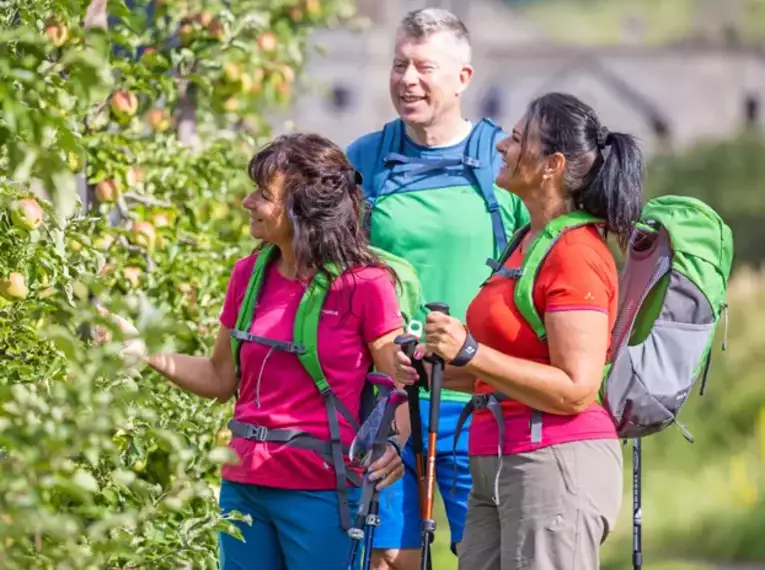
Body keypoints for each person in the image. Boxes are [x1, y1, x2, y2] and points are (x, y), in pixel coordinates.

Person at [116, 133, 409, 570]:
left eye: (262, 194)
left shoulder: (365, 285)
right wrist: (144, 353)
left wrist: (395, 447)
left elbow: (397, 383)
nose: (246, 201)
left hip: (322, 490)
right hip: (245, 487)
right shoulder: (249, 275)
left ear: (302, 206)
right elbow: (220, 377)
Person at [395, 92, 644, 569]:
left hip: (553, 460)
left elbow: (576, 388)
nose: (502, 147)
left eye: (516, 138)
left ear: (551, 164)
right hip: (495, 458)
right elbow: (500, 373)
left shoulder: (577, 254)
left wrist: (468, 350)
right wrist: (432, 370)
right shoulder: (525, 242)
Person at [346, 8, 529, 570]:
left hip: (480, 398)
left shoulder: (509, 164)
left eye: (425, 67)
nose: (408, 80)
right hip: (388, 400)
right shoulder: (363, 161)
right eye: (399, 65)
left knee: (483, 555)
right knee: (388, 556)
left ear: (463, 78)